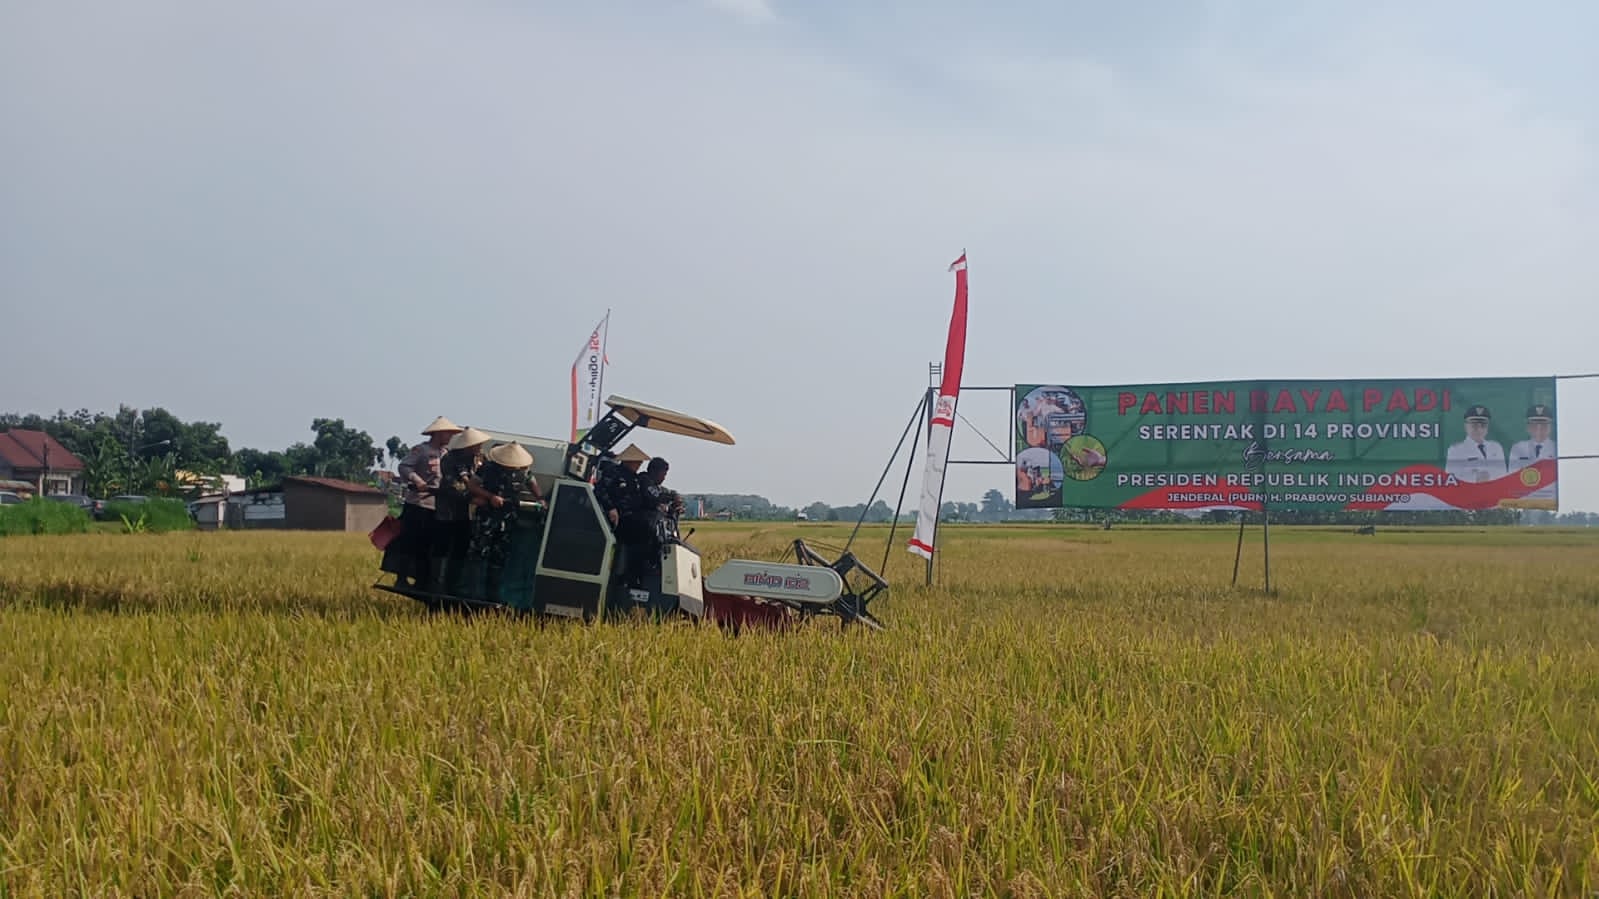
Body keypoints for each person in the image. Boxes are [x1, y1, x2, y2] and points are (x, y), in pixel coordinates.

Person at [395, 415, 462, 588]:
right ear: (439, 434)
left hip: (436, 506)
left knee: (427, 544)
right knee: (410, 541)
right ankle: (401, 578)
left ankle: (421, 581)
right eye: (448, 434)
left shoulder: (446, 455)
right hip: (418, 503)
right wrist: (417, 480)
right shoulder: (421, 450)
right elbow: (404, 466)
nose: (450, 438)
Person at [472, 441, 542, 599]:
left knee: (500, 557)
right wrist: (490, 497)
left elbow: (532, 483)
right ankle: (475, 594)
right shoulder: (487, 468)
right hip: (487, 517)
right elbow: (472, 486)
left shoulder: (523, 471)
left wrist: (541, 499)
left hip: (509, 518)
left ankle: (493, 595)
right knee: (479, 554)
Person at [435, 426, 492, 594]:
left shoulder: (478, 458)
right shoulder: (449, 459)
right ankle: (438, 584)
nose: (480, 448)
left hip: (467, 513)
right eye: (477, 445)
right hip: (448, 510)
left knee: (461, 548)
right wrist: (473, 498)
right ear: (468, 445)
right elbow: (452, 486)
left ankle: (455, 584)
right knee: (443, 548)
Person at [1444, 404, 1506, 484]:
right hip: (1469, 494)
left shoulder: (1496, 447)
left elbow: (1503, 475)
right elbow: (1450, 479)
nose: (1479, 429)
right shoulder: (1456, 450)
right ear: (1466, 426)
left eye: (1483, 425)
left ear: (1487, 427)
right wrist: (1475, 478)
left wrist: (1489, 477)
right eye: (1474, 425)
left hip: (1495, 493)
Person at [1508, 403, 1557, 504]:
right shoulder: (1518, 447)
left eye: (1543, 425)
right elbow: (1512, 476)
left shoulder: (1556, 448)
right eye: (1534, 425)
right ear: (1528, 427)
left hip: (1549, 500)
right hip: (1523, 501)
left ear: (1550, 427)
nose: (1539, 429)